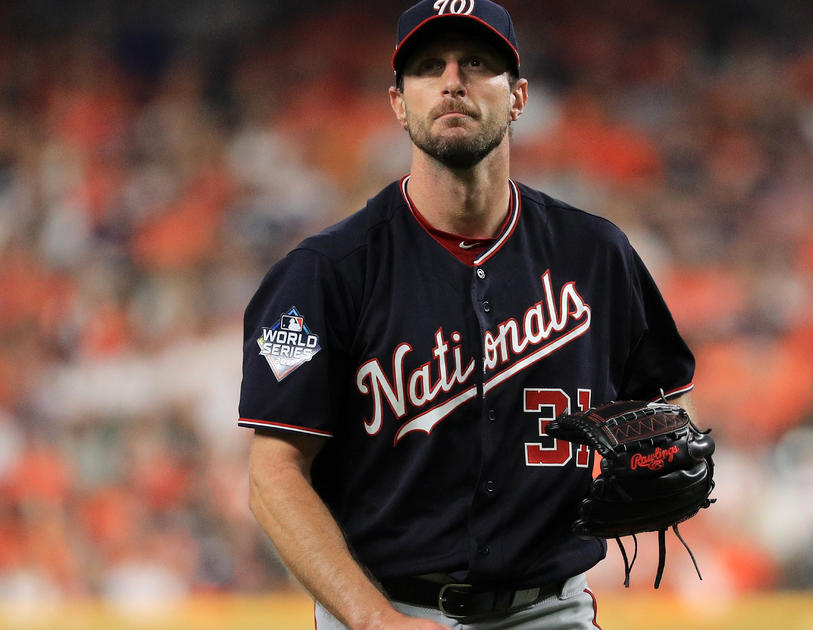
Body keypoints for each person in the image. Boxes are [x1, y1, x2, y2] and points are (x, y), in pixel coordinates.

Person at [238, 1, 697, 628]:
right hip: (385, 606)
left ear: (519, 98)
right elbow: (274, 473)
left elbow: (659, 412)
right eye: (429, 67)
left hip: (549, 608)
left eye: (477, 63)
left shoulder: (595, 255)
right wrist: (372, 619)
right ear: (398, 103)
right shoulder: (326, 272)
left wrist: (656, 455)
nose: (452, 80)